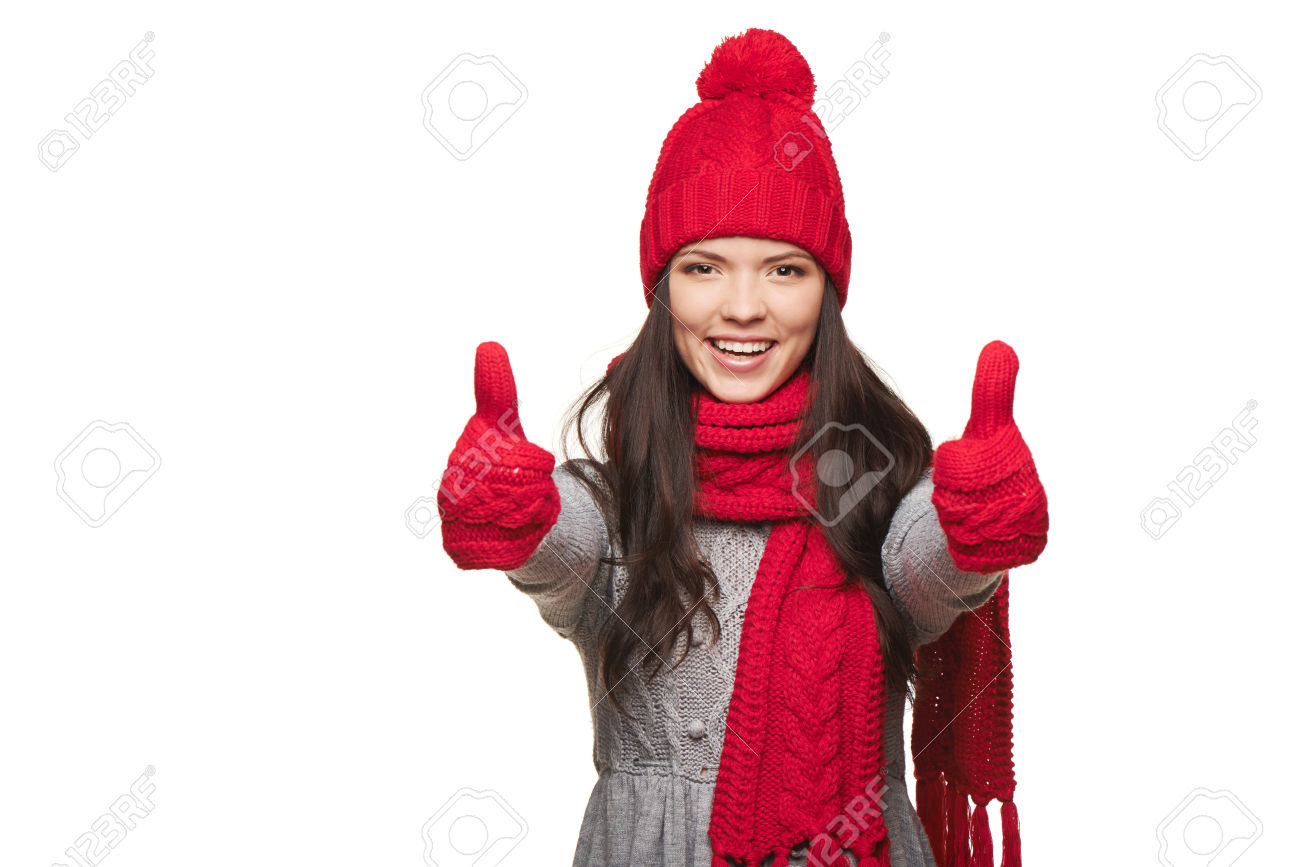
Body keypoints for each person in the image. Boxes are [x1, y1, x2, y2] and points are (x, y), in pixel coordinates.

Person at [437, 28, 1048, 867]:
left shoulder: (855, 473)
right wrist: (514, 512)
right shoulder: (627, 495)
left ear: (827, 290)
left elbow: (925, 563)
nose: (744, 306)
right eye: (704, 267)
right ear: (661, 286)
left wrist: (976, 528)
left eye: (785, 270)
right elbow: (563, 547)